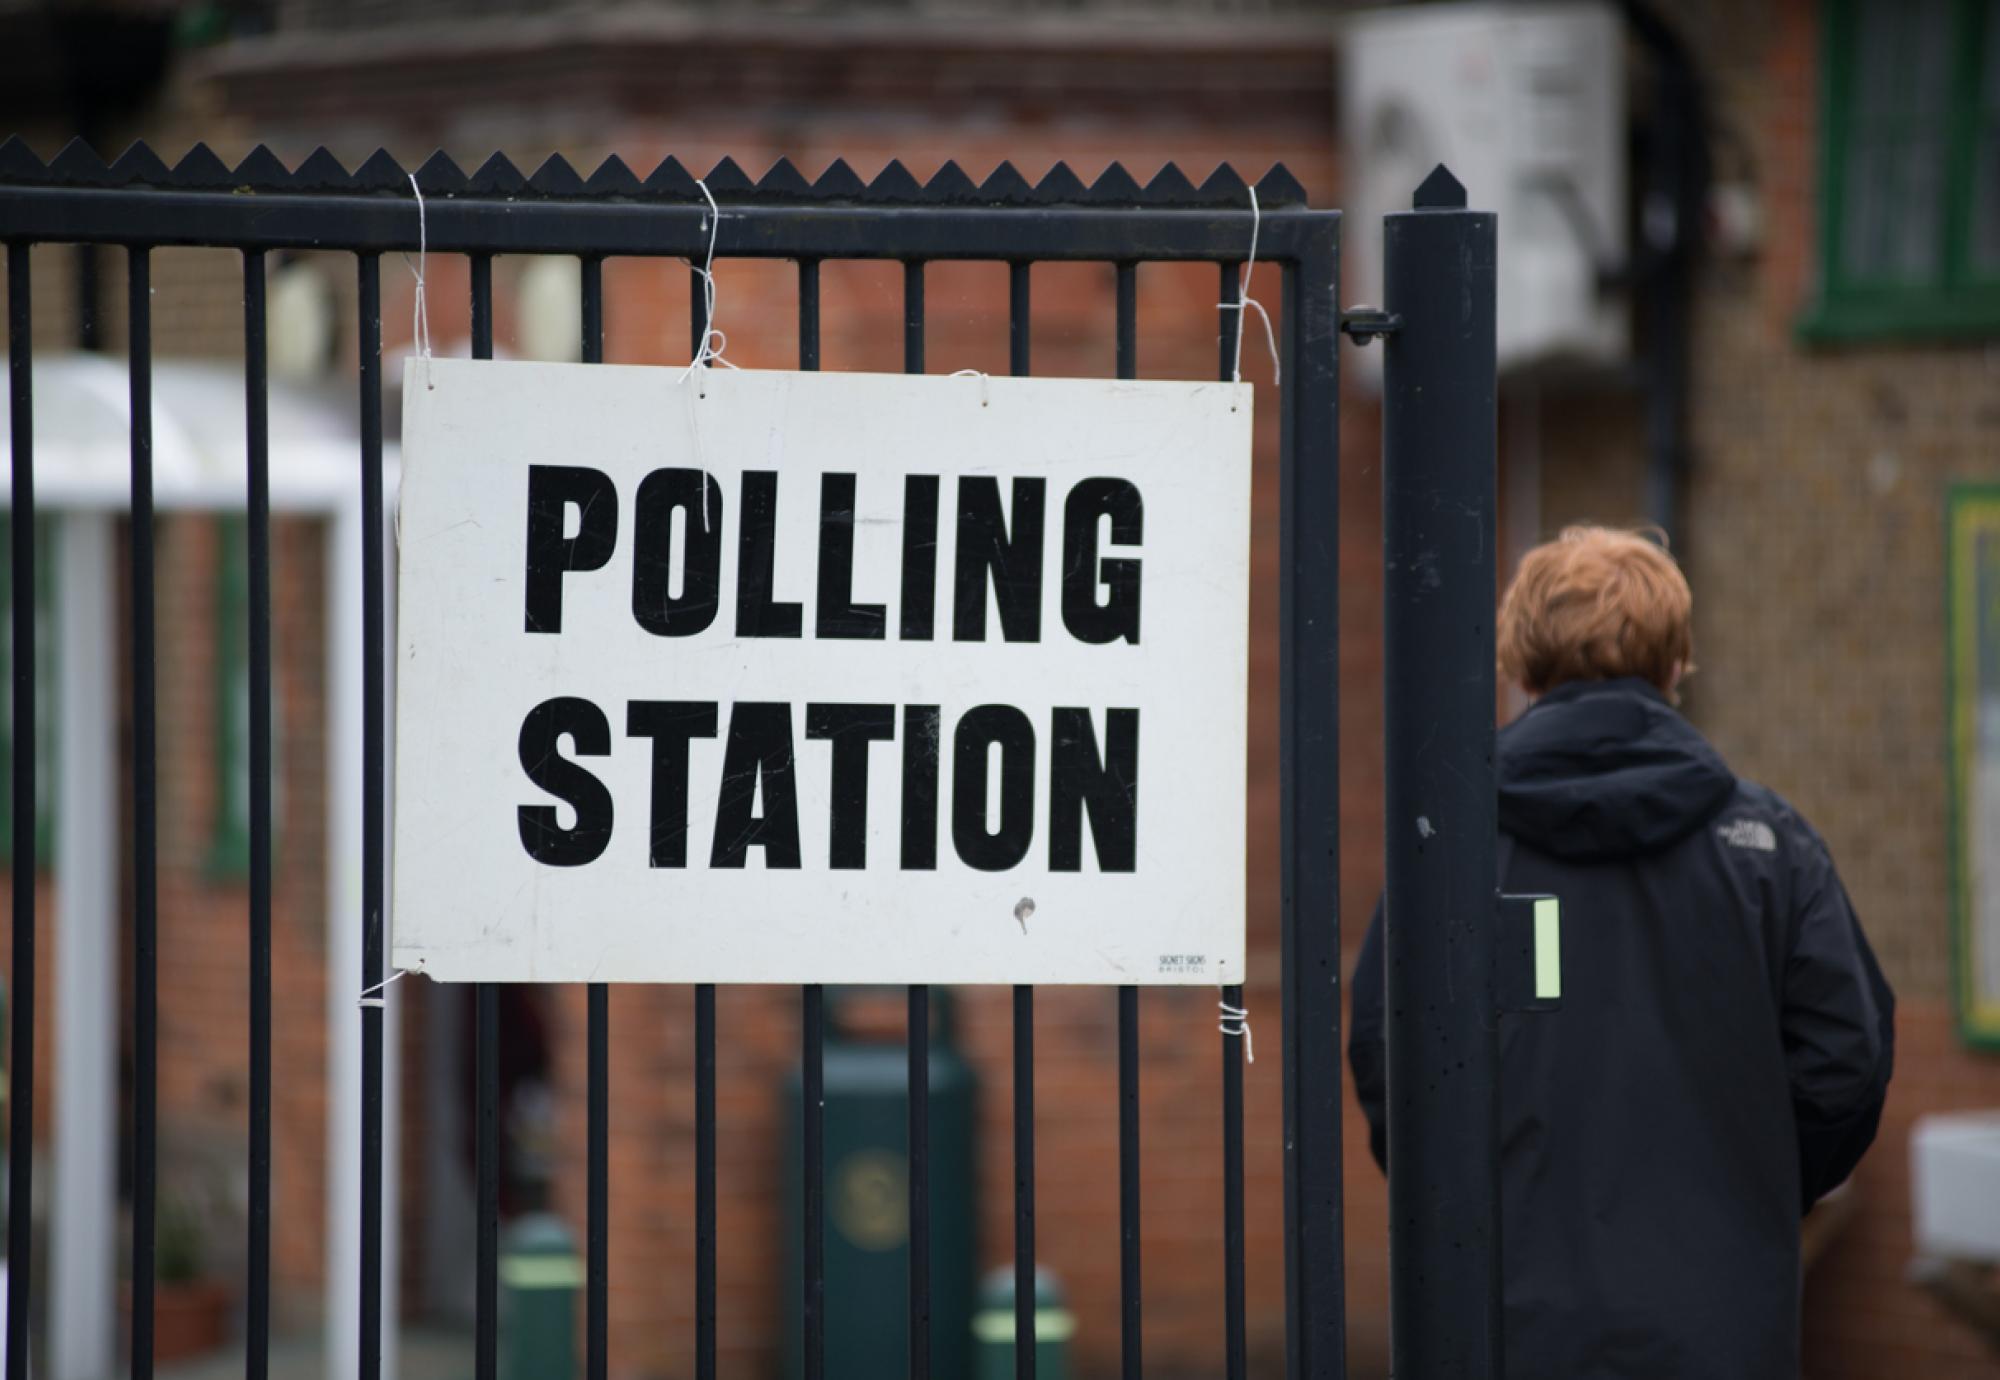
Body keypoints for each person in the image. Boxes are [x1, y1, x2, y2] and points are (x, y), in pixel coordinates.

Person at [1348, 525, 1894, 1380]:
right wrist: (1751, 1188)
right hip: (1723, 1327)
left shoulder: (1451, 851)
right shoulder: (1770, 849)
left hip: (1505, 1322)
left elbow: (1392, 1054)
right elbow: (1845, 1062)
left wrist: (1476, 1201)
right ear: (1675, 667)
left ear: (1521, 670)